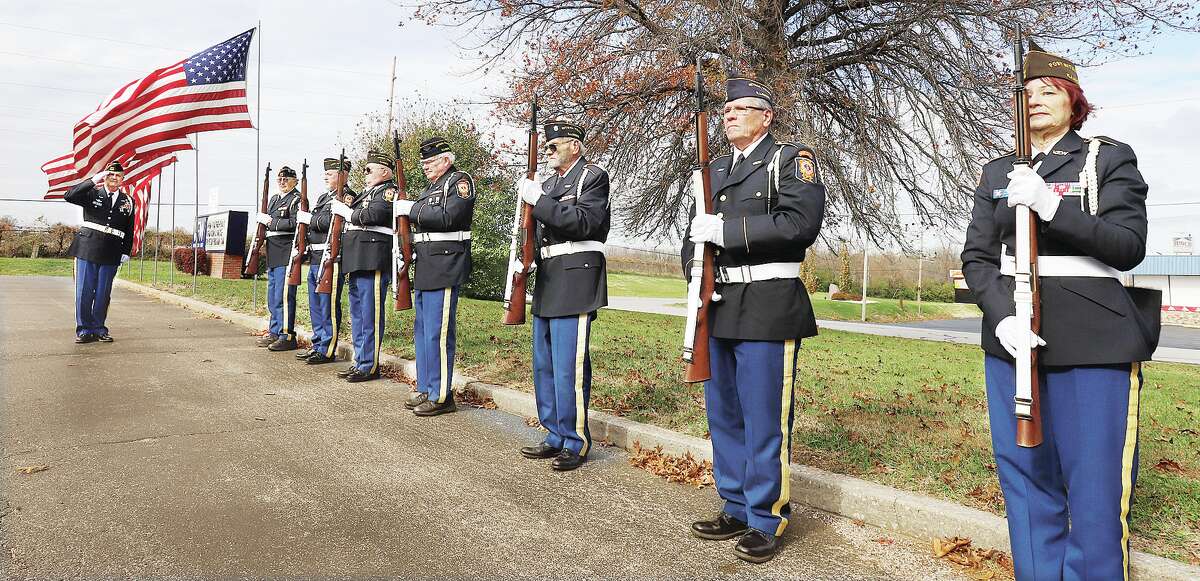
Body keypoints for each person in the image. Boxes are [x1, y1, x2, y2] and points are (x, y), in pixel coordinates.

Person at [961, 46, 1156, 581]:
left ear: (1074, 102)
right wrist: (1001, 317)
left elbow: (1126, 244)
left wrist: (1052, 206)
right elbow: (977, 256)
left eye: (1049, 91)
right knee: (1026, 479)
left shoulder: (1106, 157)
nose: (1036, 100)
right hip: (1012, 338)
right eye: (1026, 94)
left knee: (1094, 486)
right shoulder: (998, 170)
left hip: (1093, 340)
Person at [681, 78, 826, 564]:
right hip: (720, 300)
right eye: (726, 109)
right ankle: (736, 503)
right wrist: (695, 276)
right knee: (724, 413)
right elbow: (694, 235)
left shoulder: (789, 159)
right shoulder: (716, 168)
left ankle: (768, 516)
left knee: (765, 418)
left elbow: (799, 224)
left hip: (768, 300)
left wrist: (726, 229)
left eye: (743, 108)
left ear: (767, 116)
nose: (730, 114)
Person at [515, 121, 610, 472]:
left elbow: (583, 222)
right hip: (550, 277)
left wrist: (538, 199)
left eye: (554, 146)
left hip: (577, 276)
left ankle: (575, 439)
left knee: (569, 365)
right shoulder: (551, 184)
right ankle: (553, 432)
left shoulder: (592, 177)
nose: (548, 152)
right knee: (545, 364)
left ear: (575, 146)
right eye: (547, 147)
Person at [395, 136, 476, 417]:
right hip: (427, 263)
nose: (425, 166)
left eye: (430, 161)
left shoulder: (459, 182)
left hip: (446, 264)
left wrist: (412, 209)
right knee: (423, 332)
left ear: (447, 160)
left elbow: (448, 218)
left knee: (438, 334)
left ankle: (442, 395)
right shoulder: (432, 188)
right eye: (423, 162)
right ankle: (428, 388)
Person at [330, 150, 395, 383]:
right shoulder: (368, 192)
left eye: (370, 169)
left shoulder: (388, 191)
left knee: (370, 315)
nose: (365, 174)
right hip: (357, 259)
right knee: (357, 315)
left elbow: (375, 214)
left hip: (372, 258)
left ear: (384, 171)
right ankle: (360, 361)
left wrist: (347, 212)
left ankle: (369, 365)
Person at [63, 160, 136, 344]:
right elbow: (69, 195)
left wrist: (126, 251)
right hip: (87, 247)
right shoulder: (91, 193)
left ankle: (99, 328)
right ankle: (84, 330)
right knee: (85, 291)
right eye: (110, 175)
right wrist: (92, 180)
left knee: (103, 292)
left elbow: (129, 229)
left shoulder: (128, 201)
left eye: (118, 175)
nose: (114, 178)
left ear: (122, 179)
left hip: (112, 250)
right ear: (104, 177)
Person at [295, 157, 351, 365]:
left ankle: (327, 348)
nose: (325, 176)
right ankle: (317, 343)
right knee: (315, 305)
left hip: (331, 257)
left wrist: (310, 219)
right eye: (325, 173)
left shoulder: (346, 196)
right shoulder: (322, 197)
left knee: (328, 305)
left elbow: (332, 221)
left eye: (330, 173)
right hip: (316, 256)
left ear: (343, 175)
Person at [255, 166, 302, 350]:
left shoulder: (297, 200)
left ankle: (287, 335)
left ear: (295, 181)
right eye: (280, 179)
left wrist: (270, 222)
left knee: (284, 296)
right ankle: (274, 331)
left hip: (286, 251)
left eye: (286, 179)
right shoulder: (274, 199)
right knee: (273, 297)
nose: (282, 182)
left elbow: (295, 224)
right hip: (273, 252)